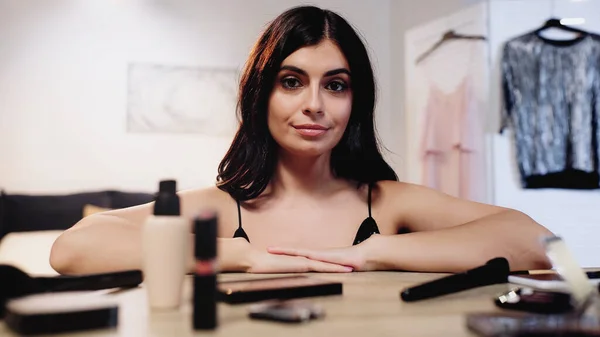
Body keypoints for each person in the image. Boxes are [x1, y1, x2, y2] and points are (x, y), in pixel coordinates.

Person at [50, 5, 552, 276]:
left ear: (356, 102)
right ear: (260, 94)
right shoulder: (225, 210)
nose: (315, 103)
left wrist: (371, 253)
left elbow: (537, 245)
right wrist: (243, 256)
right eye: (291, 81)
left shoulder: (389, 202)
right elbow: (74, 249)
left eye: (335, 85)